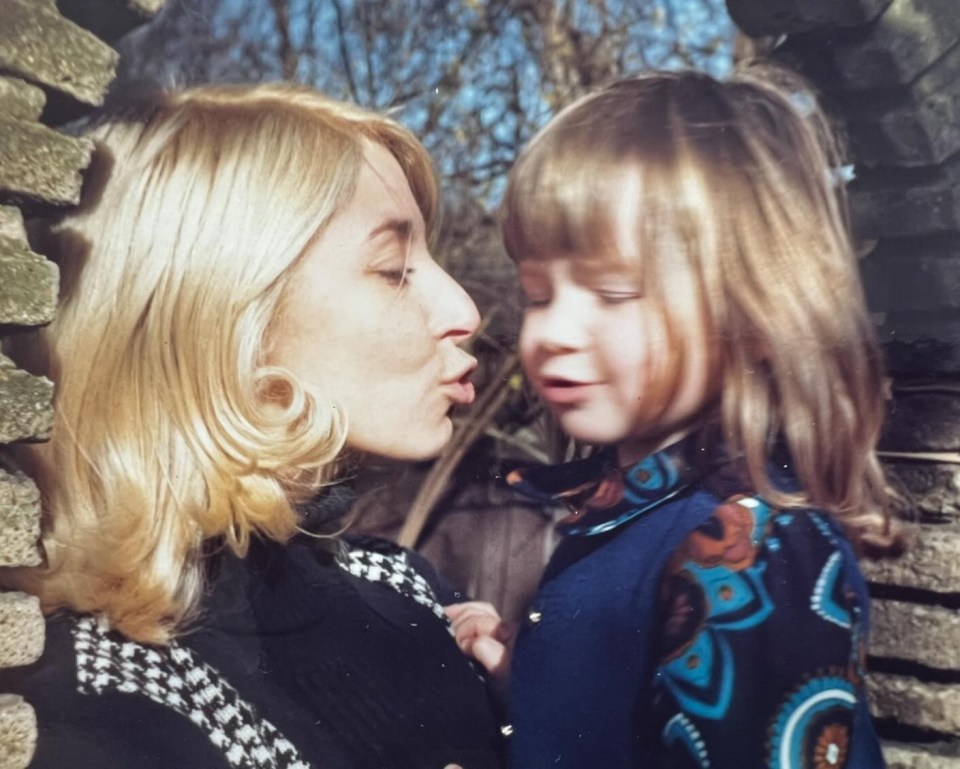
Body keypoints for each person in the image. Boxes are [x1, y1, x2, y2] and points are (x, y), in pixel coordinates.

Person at [1, 83, 504, 769]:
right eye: (393, 270)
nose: (464, 308)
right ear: (218, 316)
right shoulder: (102, 711)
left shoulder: (413, 591)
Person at [448, 65, 903, 768]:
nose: (555, 330)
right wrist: (526, 678)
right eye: (539, 294)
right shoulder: (629, 514)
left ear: (754, 313)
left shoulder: (750, 549)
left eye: (612, 290)